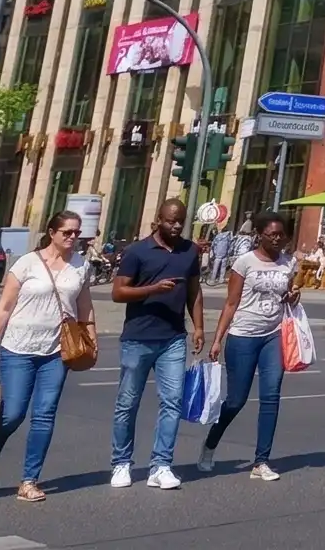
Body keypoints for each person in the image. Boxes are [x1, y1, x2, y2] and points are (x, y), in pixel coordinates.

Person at [0, 210, 93, 502]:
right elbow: (3, 308)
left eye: (77, 232)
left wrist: (92, 339)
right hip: (17, 349)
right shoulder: (26, 264)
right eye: (67, 232)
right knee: (13, 414)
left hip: (56, 352)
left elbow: (85, 308)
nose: (73, 237)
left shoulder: (81, 267)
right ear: (52, 232)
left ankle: (29, 480)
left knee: (44, 415)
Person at [109, 197, 204, 490]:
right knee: (127, 403)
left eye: (180, 221)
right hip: (138, 337)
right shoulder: (137, 251)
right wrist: (152, 289)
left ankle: (161, 465)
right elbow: (118, 292)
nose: (175, 226)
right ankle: (121, 463)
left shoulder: (190, 252)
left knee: (172, 402)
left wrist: (198, 327)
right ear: (157, 222)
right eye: (170, 221)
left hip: (173, 338)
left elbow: (194, 292)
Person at [196, 212, 298, 481]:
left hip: (272, 335)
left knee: (271, 395)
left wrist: (292, 296)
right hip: (242, 335)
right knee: (236, 401)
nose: (277, 239)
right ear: (260, 235)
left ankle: (261, 461)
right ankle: (210, 443)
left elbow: (285, 295)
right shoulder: (245, 262)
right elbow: (231, 303)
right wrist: (217, 338)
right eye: (272, 234)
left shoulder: (289, 262)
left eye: (281, 234)